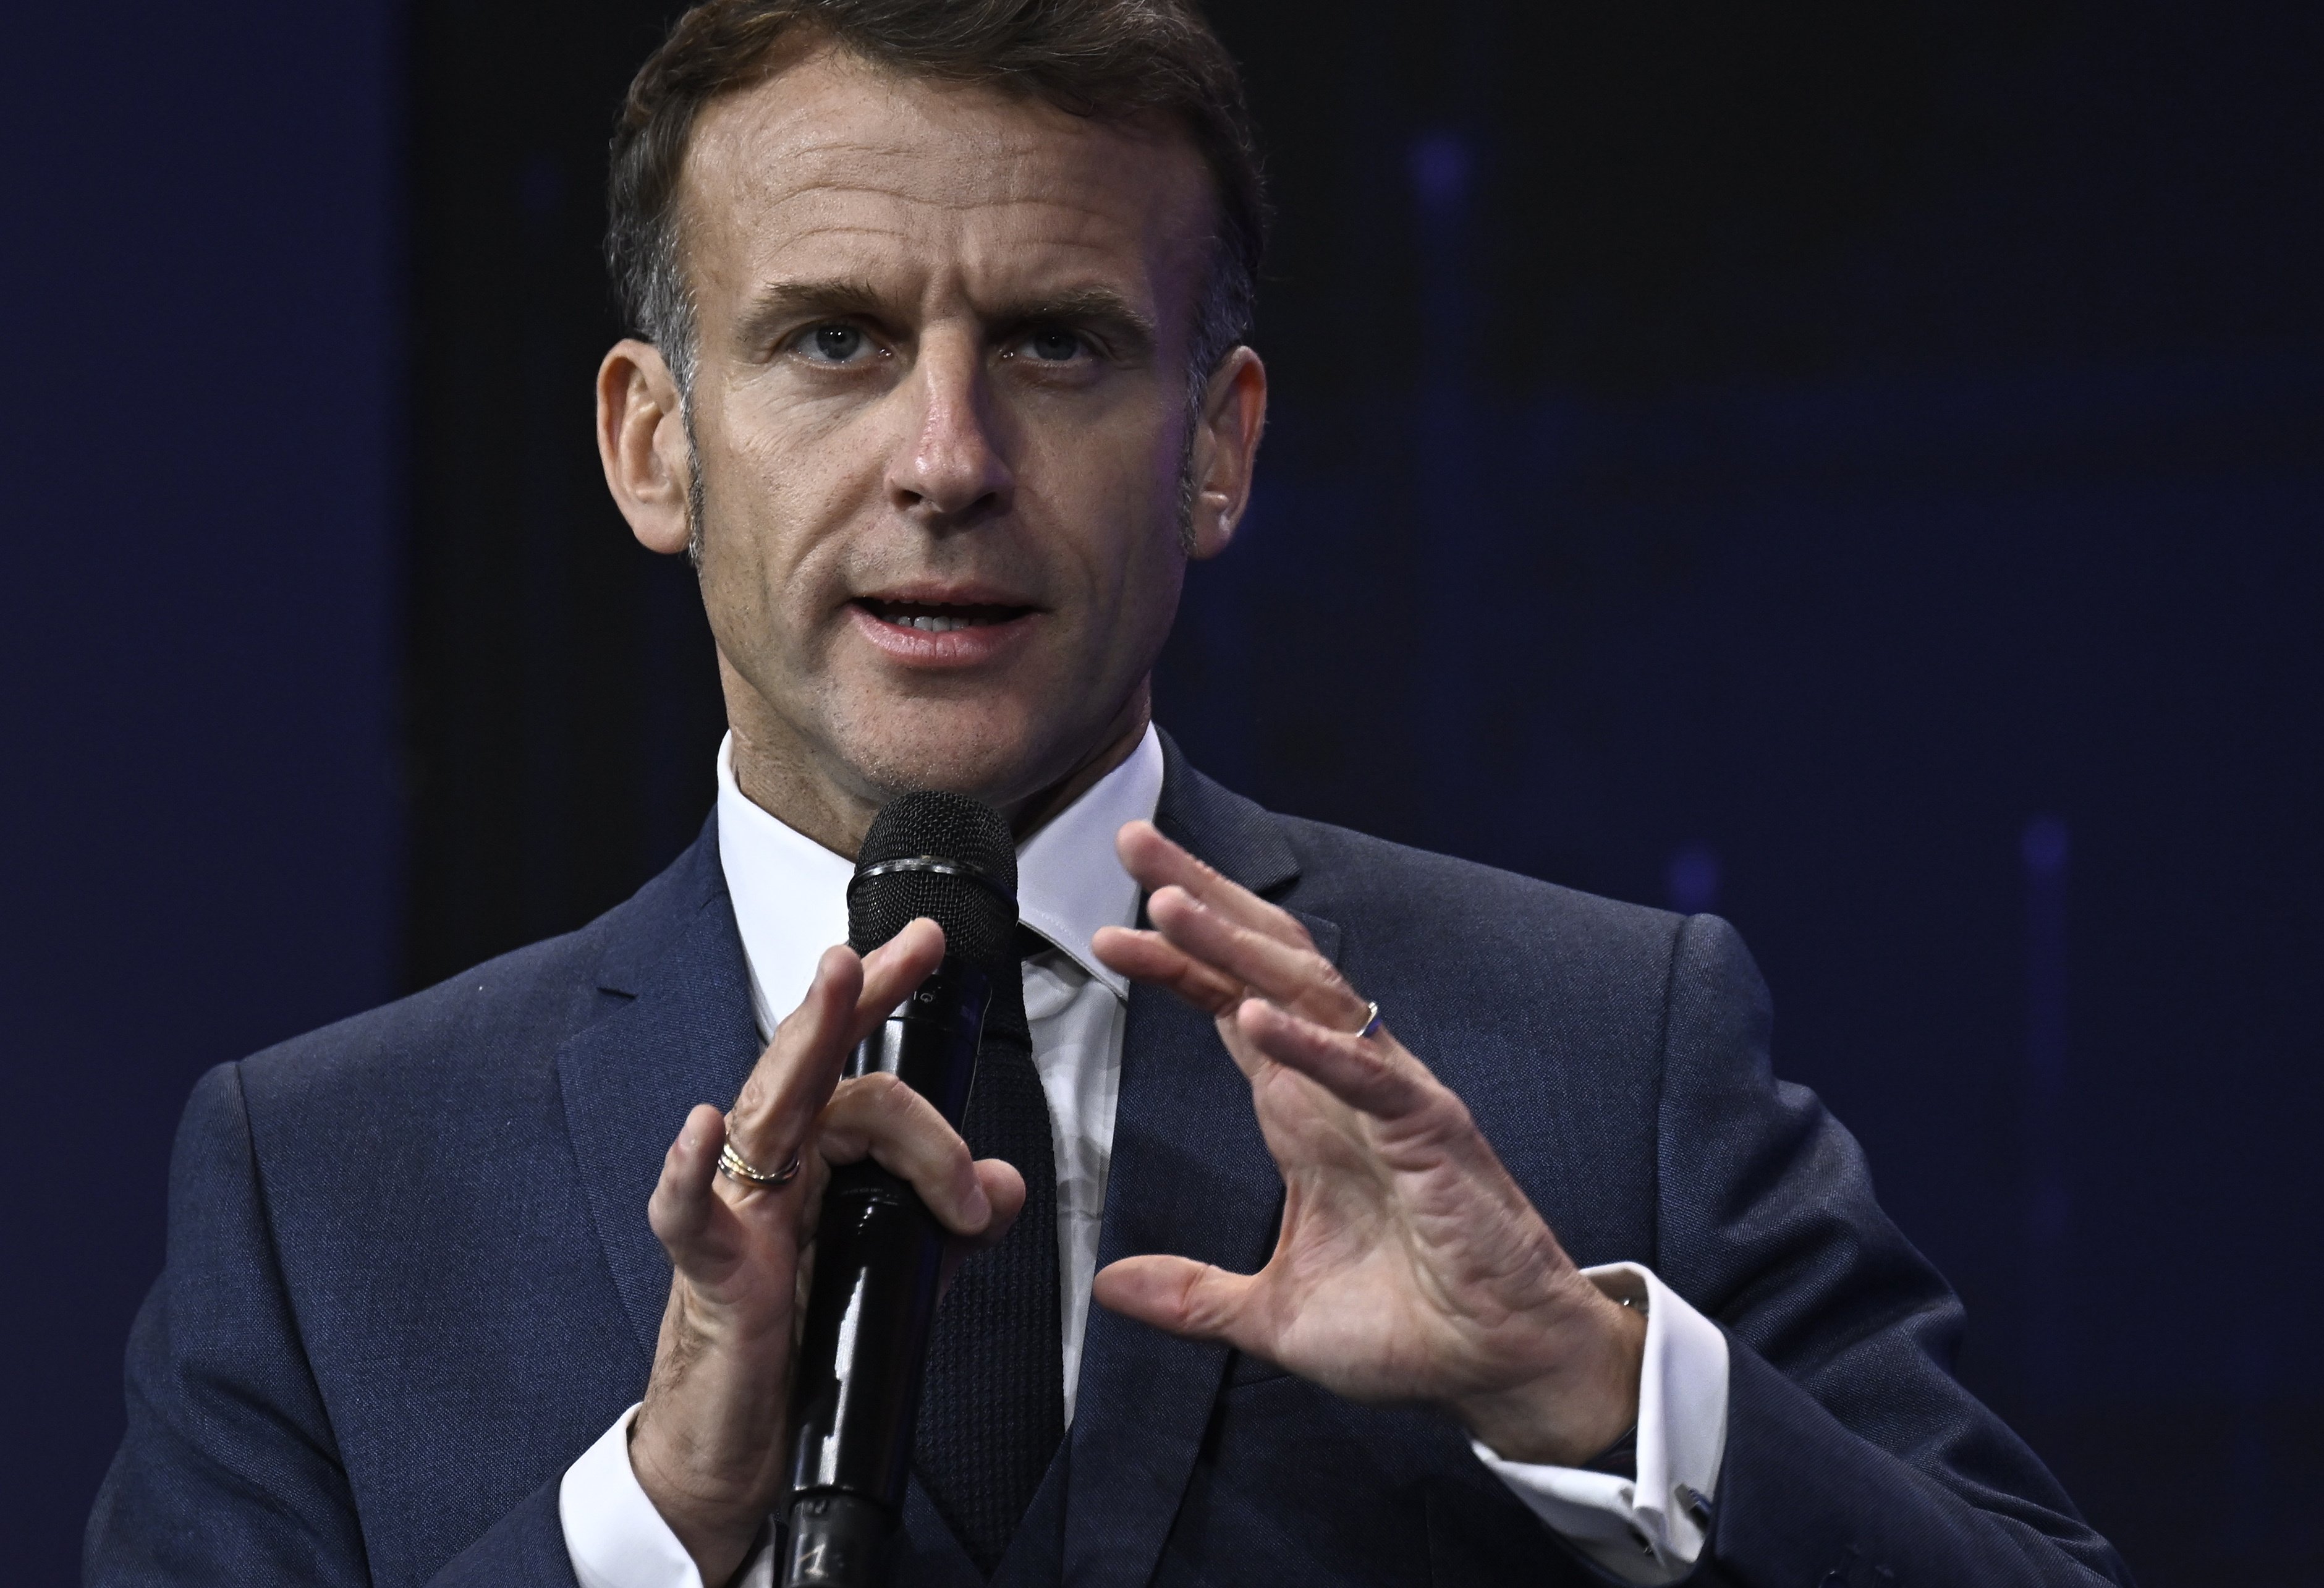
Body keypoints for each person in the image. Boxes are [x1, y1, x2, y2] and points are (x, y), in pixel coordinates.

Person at [87, 3, 2132, 1586]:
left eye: (1059, 344)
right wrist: (649, 1527)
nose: (949, 456)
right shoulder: (323, 1184)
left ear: (1218, 448)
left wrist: (1593, 1390)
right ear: (654, 445)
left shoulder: (1604, 1054)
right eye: (834, 340)